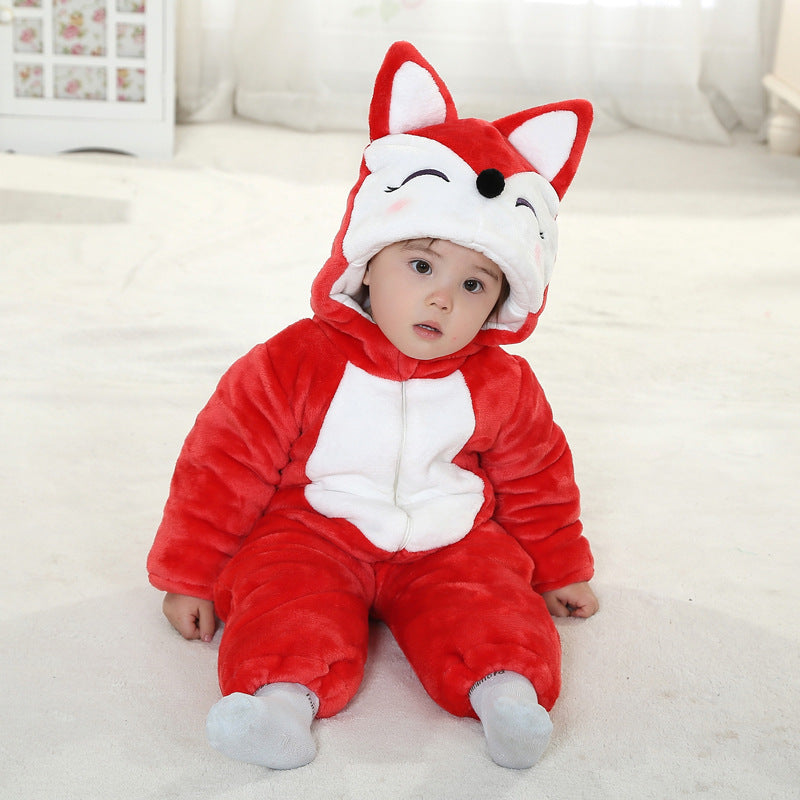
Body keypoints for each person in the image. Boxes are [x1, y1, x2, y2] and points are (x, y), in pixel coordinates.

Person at [147, 41, 598, 771]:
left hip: (450, 537)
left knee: (491, 600)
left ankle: (508, 696)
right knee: (285, 599)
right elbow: (221, 465)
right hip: (313, 530)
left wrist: (560, 567)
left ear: (502, 302)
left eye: (474, 284)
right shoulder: (293, 360)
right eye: (420, 265)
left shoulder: (503, 383)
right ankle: (279, 706)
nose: (442, 298)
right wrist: (190, 575)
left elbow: (539, 479)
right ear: (365, 263)